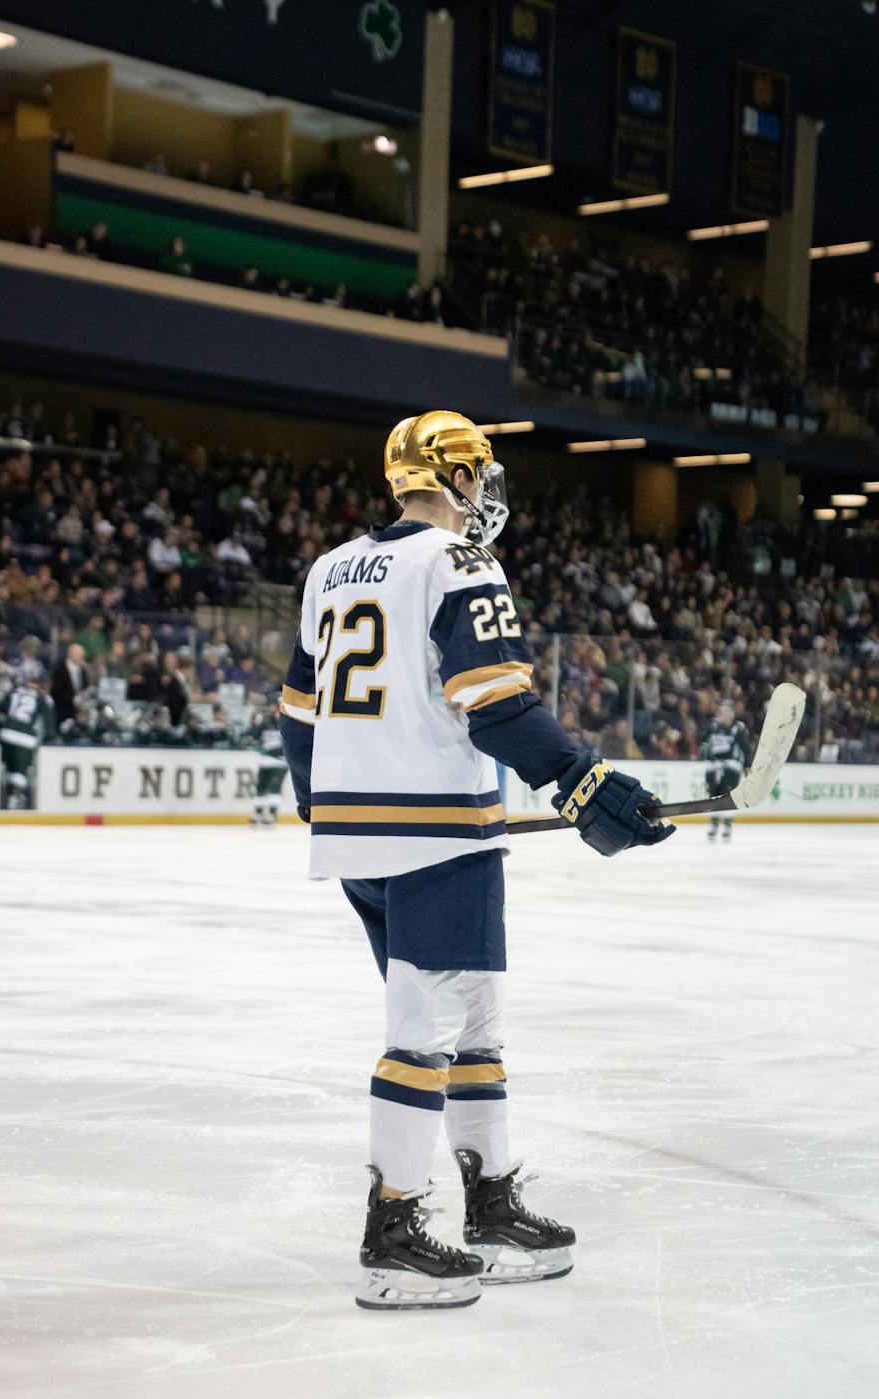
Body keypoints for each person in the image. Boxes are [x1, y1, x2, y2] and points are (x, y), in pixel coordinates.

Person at [279, 410, 674, 1311]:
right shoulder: (458, 562)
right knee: (425, 1027)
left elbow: (299, 718)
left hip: (361, 840)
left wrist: (327, 811)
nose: (485, 489)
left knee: (472, 1020)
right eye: (478, 472)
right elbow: (493, 705)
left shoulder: (328, 569)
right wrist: (582, 781)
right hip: (436, 834)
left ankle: (490, 1206)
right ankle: (394, 1235)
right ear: (454, 477)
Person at [0, 680, 56, 809]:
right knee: (20, 771)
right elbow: (49, 725)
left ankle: (5, 796)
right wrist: (48, 739)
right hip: (25, 738)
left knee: (8, 768)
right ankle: (15, 798)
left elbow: (1, 707)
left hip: (6, 734)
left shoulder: (15, 691)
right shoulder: (42, 697)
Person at [700, 701, 752, 841]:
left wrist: (747, 766)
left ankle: (728, 825)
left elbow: (746, 749)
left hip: (731, 765)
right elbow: (703, 742)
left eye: (727, 712)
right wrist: (704, 752)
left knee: (728, 796)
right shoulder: (712, 726)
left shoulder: (739, 728)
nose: (724, 715)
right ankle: (714, 825)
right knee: (713, 796)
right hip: (713, 765)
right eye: (721, 712)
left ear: (733, 714)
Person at [248, 701, 288, 828]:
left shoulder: (286, 722)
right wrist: (256, 724)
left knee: (274, 789)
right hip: (265, 762)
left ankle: (271, 815)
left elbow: (288, 743)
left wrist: (270, 751)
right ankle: (258, 815)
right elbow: (252, 736)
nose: (270, 708)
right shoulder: (265, 722)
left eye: (272, 705)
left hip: (280, 762)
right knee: (260, 788)